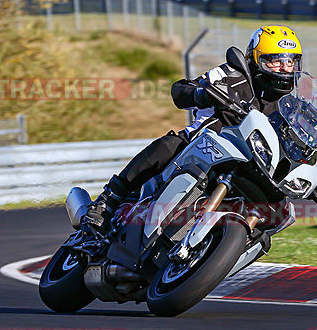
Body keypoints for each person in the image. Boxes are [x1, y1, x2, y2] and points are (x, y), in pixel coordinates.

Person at [81, 24, 304, 232]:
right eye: (275, 61)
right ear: (255, 60)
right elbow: (180, 89)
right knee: (170, 144)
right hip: (203, 146)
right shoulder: (232, 76)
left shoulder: (290, 107)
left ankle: (238, 241)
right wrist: (200, 93)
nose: (284, 69)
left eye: (290, 62)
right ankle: (108, 200)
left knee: (277, 207)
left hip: (247, 166)